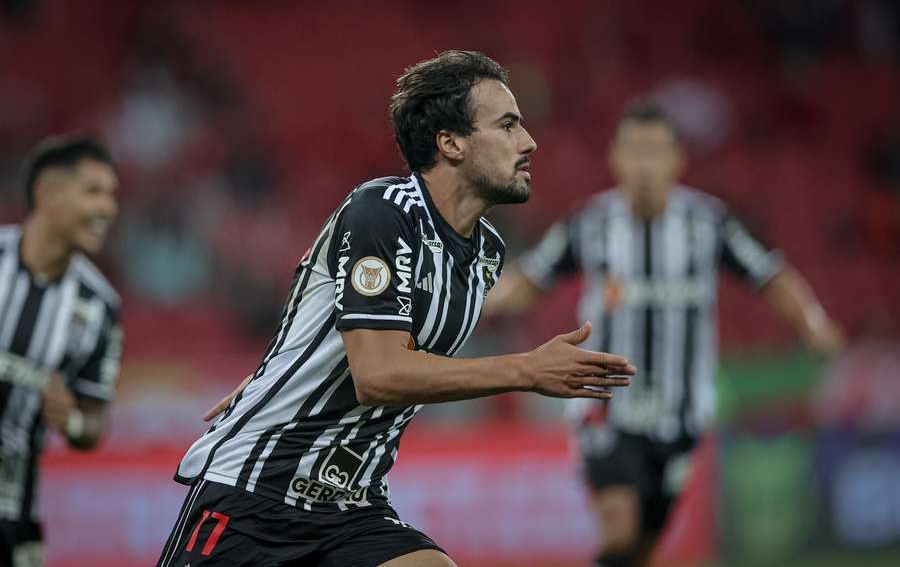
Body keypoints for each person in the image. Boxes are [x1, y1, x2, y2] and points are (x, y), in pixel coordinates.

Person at [156, 50, 637, 567]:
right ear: (450, 143)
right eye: (507, 125)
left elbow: (342, 332)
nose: (529, 142)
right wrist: (527, 368)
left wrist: (281, 374)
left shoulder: (487, 253)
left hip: (350, 509)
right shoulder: (382, 213)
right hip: (255, 496)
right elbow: (378, 375)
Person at [484, 100, 844, 567]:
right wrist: (471, 303)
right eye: (634, 151)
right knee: (618, 532)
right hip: (605, 404)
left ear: (678, 160)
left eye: (656, 152)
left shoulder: (708, 223)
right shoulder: (590, 223)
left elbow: (770, 275)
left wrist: (813, 324)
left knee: (642, 548)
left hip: (682, 411)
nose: (645, 165)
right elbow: (527, 283)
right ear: (615, 159)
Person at [0, 135, 123, 567]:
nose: (107, 208)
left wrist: (69, 418)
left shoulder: (99, 306)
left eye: (111, 196)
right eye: (93, 192)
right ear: (46, 192)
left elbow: (93, 420)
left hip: (13, 511)